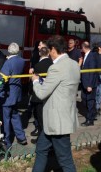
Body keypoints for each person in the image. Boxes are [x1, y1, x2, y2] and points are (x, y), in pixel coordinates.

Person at [31, 35, 79, 172]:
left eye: (48, 49)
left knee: (65, 160)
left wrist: (35, 80)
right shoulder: (74, 64)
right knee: (41, 149)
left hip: (57, 122)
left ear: (53, 49)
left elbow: (42, 93)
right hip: (61, 118)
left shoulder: (56, 68)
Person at [0, 42, 27, 148]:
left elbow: (2, 79)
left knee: (5, 119)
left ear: (8, 51)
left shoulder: (8, 62)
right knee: (15, 115)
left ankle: (7, 141)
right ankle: (21, 137)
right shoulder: (21, 61)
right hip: (16, 93)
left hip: (8, 94)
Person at [29, 41, 51, 137]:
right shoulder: (52, 64)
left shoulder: (37, 66)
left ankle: (42, 137)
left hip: (39, 94)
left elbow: (35, 80)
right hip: (49, 93)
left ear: (40, 54)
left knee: (40, 117)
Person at [80, 41, 100, 126]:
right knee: (85, 100)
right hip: (85, 83)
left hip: (89, 84)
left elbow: (92, 72)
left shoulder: (91, 56)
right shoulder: (86, 55)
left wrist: (90, 85)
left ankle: (89, 120)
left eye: (81, 48)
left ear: (84, 47)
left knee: (90, 101)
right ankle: (93, 114)